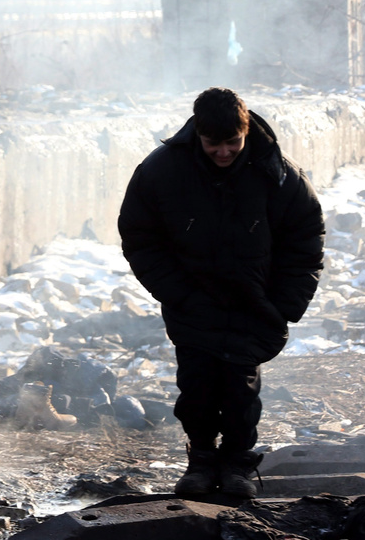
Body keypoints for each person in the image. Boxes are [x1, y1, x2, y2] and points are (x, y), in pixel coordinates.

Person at [117, 87, 324, 498]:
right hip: (193, 302)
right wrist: (176, 293)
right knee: (196, 387)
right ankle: (201, 460)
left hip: (254, 304)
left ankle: (237, 464)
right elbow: (140, 237)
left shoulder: (278, 174)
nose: (224, 152)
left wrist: (284, 305)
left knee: (240, 390)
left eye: (233, 142)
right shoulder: (162, 171)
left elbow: (305, 240)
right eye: (214, 143)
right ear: (199, 135)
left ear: (245, 132)